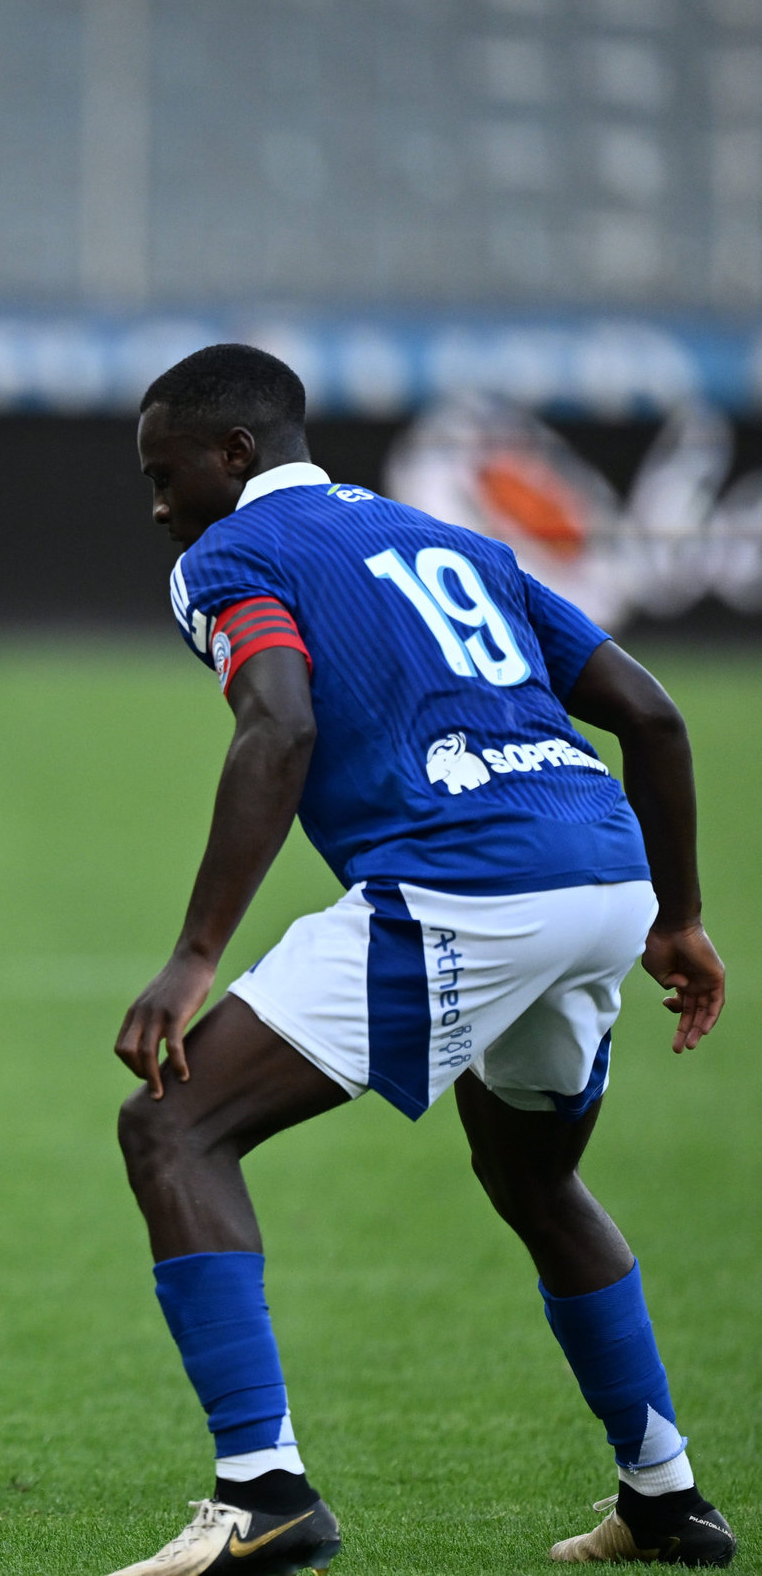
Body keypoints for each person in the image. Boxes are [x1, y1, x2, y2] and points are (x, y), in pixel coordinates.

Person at [102, 344, 735, 1575]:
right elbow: (651, 714)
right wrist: (677, 919)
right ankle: (665, 1499)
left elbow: (277, 720)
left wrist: (192, 959)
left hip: (464, 881)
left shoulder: (224, 557)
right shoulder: (449, 541)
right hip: (603, 879)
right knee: (535, 1178)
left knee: (173, 1128)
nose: (157, 500)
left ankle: (263, 1493)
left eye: (164, 470)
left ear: (233, 456)